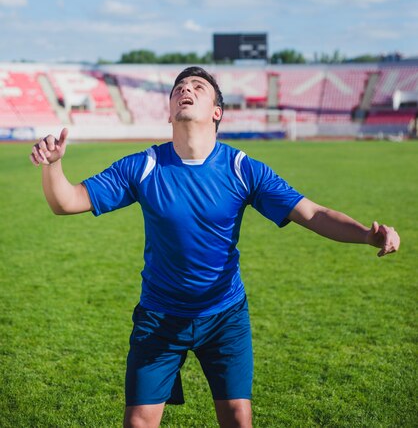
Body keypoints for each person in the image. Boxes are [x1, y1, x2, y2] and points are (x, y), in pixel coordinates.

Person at [30, 66, 400, 428]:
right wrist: (53, 167)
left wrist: (367, 235)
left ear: (217, 112)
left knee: (238, 418)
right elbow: (67, 201)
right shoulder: (143, 166)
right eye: (178, 88)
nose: (184, 90)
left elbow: (313, 213)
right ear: (170, 110)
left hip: (225, 316)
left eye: (197, 87)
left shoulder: (242, 168)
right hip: (159, 316)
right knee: (139, 421)